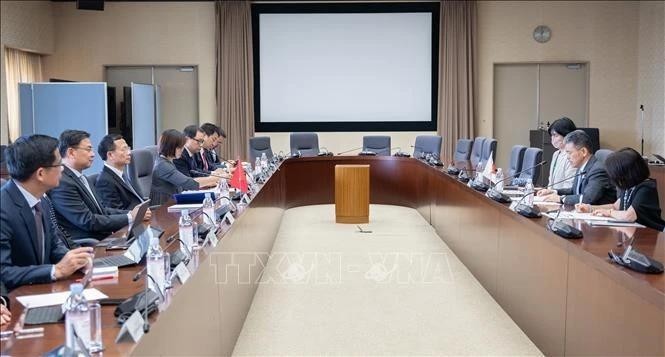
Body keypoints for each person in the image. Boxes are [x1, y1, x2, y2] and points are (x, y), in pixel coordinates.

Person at [1, 135, 94, 291]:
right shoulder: (3, 208)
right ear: (41, 174)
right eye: (58, 164)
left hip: (44, 290)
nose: (63, 168)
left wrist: (75, 261)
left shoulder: (41, 199)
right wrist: (55, 270)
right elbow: (3, 273)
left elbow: (54, 245)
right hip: (17, 301)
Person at [48, 130, 147, 241]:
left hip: (105, 237)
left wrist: (131, 213)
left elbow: (102, 210)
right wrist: (130, 217)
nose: (93, 154)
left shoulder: (81, 177)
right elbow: (87, 221)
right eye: (88, 149)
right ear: (71, 152)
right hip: (88, 245)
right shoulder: (63, 182)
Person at [576, 147, 665, 231]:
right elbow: (615, 206)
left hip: (651, 235)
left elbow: (629, 216)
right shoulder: (629, 185)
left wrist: (609, 213)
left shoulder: (646, 188)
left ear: (626, 173)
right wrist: (590, 208)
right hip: (633, 231)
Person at [538, 130, 616, 205]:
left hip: (598, 215)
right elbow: (574, 191)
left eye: (569, 153)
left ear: (583, 152)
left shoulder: (597, 170)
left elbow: (587, 199)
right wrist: (554, 192)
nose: (567, 157)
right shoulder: (582, 166)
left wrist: (560, 199)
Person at [150, 129, 219, 205]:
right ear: (171, 146)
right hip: (162, 207)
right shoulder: (163, 165)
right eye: (180, 147)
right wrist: (214, 178)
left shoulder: (167, 161)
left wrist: (208, 181)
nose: (182, 150)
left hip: (171, 201)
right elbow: (187, 182)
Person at [95, 134, 146, 210]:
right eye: (123, 149)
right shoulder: (105, 181)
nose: (129, 152)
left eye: (128, 148)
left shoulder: (121, 174)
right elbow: (116, 213)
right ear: (110, 155)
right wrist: (138, 214)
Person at [546, 117, 578, 190]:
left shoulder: (572, 156)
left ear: (567, 135)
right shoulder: (556, 154)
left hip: (562, 198)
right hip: (551, 197)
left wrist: (555, 196)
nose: (552, 139)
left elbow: (569, 185)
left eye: (555, 135)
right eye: (551, 135)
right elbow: (551, 182)